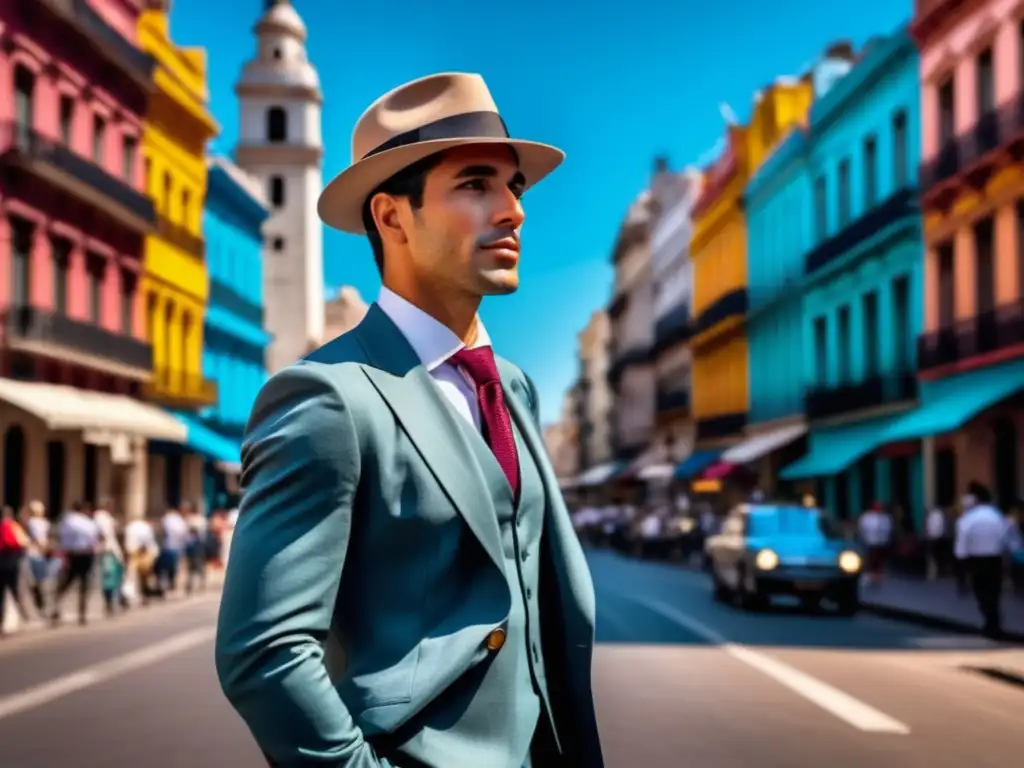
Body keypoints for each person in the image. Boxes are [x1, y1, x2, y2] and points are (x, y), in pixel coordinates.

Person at [215, 72, 602, 768]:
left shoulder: (510, 384)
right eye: (477, 184)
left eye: (514, 187)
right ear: (393, 217)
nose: (514, 210)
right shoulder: (326, 397)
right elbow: (265, 653)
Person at [954, 481, 1012, 638]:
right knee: (994, 592)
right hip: (995, 559)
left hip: (977, 561)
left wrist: (961, 573)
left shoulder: (967, 519)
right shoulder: (998, 517)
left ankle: (990, 622)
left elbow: (961, 547)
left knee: (981, 592)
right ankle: (994, 622)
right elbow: (1007, 539)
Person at [52, 502, 100, 626]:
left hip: (72, 554)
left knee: (66, 582)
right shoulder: (89, 523)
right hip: (86, 554)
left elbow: (61, 538)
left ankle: (56, 607)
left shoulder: (67, 521)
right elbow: (94, 540)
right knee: (84, 584)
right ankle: (82, 613)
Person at [0, 505, 31, 634]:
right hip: (12, 562)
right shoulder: (13, 526)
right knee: (14, 590)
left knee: (1, 593)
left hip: (2, 562)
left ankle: (2, 622)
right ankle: (22, 613)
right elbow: (23, 542)